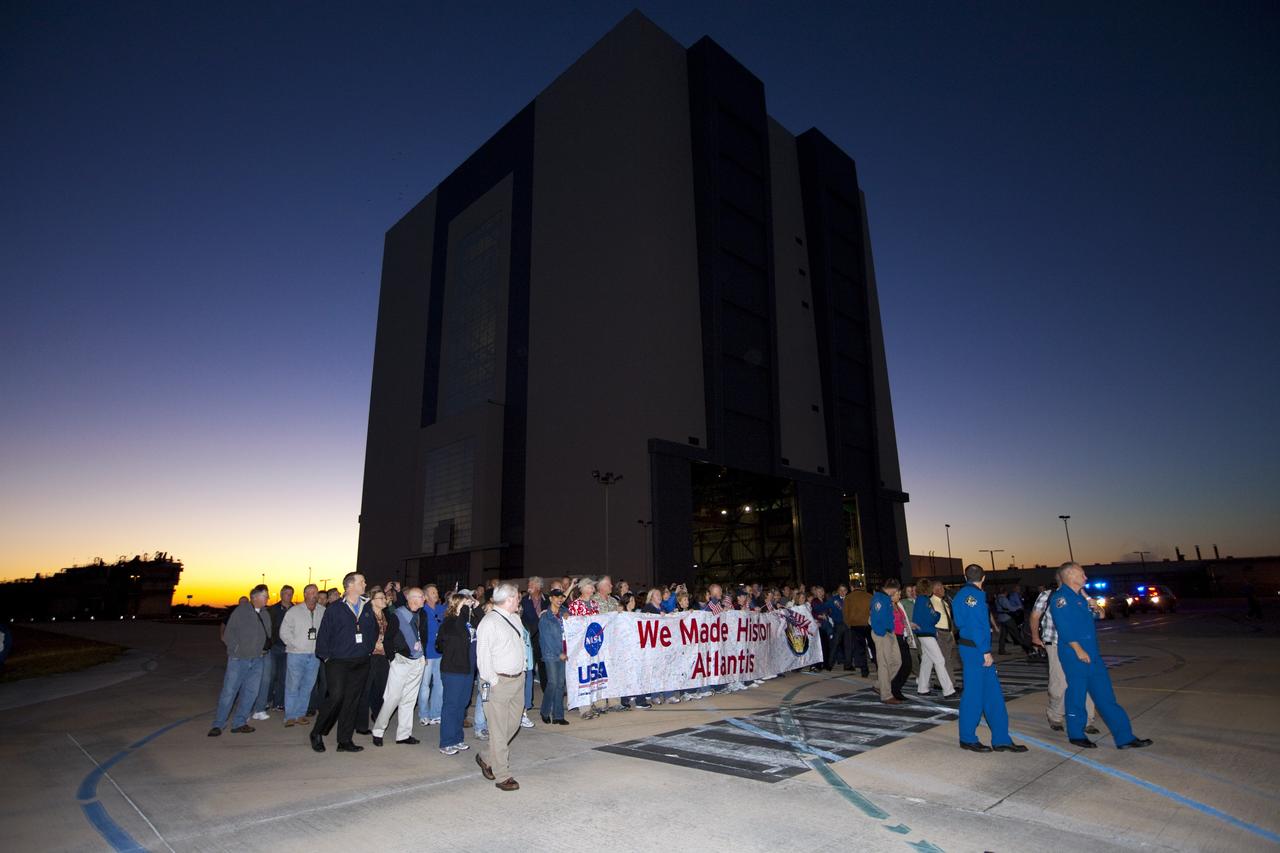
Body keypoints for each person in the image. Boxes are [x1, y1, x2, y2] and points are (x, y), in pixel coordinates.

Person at [1051, 563, 1153, 750]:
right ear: (1071, 575)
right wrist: (1078, 650)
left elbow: (1102, 616)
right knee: (1077, 694)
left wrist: (1095, 606)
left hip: (1093, 654)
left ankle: (1125, 738)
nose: (1086, 577)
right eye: (1082, 574)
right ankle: (1076, 734)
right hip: (1074, 654)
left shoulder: (1081, 598)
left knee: (1106, 696)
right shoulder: (1060, 598)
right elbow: (1064, 628)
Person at [953, 565, 1027, 753]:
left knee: (993, 695)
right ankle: (967, 738)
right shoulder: (975, 596)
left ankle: (1001, 738)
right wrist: (985, 651)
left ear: (965, 577)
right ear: (983, 578)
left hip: (972, 647)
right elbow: (976, 625)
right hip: (975, 650)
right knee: (974, 695)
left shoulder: (960, 595)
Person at [310, 572, 377, 753]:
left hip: (361, 660)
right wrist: (326, 657)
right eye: (361, 581)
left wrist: (368, 649)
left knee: (352, 701)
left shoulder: (367, 606)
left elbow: (373, 630)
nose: (365, 584)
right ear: (350, 585)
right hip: (338, 661)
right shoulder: (335, 608)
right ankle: (317, 732)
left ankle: (344, 740)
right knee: (336, 697)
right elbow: (324, 635)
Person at [1032, 567, 1097, 735]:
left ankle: (1087, 719)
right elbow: (1034, 616)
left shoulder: (1081, 597)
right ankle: (1055, 716)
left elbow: (1096, 616)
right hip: (1054, 643)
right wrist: (1035, 638)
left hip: (1081, 646)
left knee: (1085, 683)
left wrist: (1092, 603)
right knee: (1059, 683)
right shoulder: (1048, 595)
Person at [474, 583, 526, 792]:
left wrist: (522, 670)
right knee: (497, 730)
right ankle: (502, 774)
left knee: (512, 725)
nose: (519, 601)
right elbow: (483, 656)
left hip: (517, 680)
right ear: (510, 599)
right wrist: (492, 681)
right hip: (498, 683)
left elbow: (520, 645)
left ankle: (486, 757)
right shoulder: (489, 622)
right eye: (517, 598)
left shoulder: (515, 618)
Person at [208, 584, 273, 737]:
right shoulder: (241, 610)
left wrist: (263, 649)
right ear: (255, 597)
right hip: (239, 659)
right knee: (229, 692)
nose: (268, 598)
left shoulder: (265, 614)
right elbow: (229, 633)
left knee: (251, 693)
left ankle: (240, 722)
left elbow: (268, 634)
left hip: (257, 660)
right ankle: (218, 724)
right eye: (265, 595)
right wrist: (236, 649)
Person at [369, 586, 426, 746]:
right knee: (392, 698)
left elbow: (424, 635)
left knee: (409, 700)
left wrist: (423, 656)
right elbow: (388, 639)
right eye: (422, 596)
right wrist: (392, 658)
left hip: (417, 661)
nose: (424, 599)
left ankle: (404, 735)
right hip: (401, 661)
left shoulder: (422, 614)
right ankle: (378, 731)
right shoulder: (398, 615)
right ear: (413, 598)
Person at [435, 593, 477, 756]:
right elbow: (457, 631)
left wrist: (476, 607)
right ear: (456, 604)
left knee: (462, 704)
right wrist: (465, 608)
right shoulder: (450, 622)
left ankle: (457, 739)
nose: (468, 605)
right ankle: (446, 741)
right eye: (464, 603)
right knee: (451, 705)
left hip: (467, 668)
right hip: (453, 668)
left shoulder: (468, 622)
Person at [280, 583, 325, 727]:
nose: (314, 595)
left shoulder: (322, 611)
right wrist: (294, 644)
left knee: (307, 686)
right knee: (293, 685)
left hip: (314, 656)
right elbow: (284, 632)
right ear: (305, 594)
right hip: (296, 654)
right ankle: (289, 716)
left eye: (315, 592)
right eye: (311, 592)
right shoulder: (294, 611)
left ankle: (300, 714)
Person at [251, 585, 293, 720]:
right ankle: (267, 700)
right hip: (274, 648)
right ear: (281, 594)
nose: (289, 596)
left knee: (283, 676)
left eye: (291, 594)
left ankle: (279, 703)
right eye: (286, 593)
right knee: (270, 676)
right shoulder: (272, 610)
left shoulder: (295, 609)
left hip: (288, 648)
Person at [912, 579, 955, 697]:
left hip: (923, 633)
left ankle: (922, 688)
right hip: (927, 633)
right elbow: (932, 616)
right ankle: (948, 690)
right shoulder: (925, 601)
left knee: (927, 661)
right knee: (940, 661)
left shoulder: (920, 600)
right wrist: (938, 615)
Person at [359, 588, 393, 734]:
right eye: (381, 598)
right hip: (370, 655)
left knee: (381, 688)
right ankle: (360, 725)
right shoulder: (367, 615)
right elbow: (363, 634)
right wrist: (374, 644)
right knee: (365, 690)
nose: (384, 600)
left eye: (384, 597)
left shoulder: (386, 614)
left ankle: (378, 717)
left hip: (383, 656)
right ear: (372, 601)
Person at [870, 579, 908, 704]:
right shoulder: (879, 599)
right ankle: (886, 695)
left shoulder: (886, 598)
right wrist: (882, 633)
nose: (899, 594)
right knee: (884, 664)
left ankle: (879, 684)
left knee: (897, 661)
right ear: (894, 589)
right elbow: (875, 619)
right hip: (882, 634)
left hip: (889, 632)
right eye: (898, 592)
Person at [538, 588, 569, 724]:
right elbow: (546, 638)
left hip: (563, 652)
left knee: (561, 684)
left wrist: (568, 614)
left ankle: (558, 715)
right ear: (550, 598)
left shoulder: (564, 613)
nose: (559, 599)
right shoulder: (545, 617)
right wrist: (559, 653)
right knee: (553, 683)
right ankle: (545, 711)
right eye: (556, 597)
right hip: (551, 654)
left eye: (561, 597)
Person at [417, 584, 446, 728]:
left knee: (439, 684)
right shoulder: (422, 611)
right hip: (427, 653)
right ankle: (424, 714)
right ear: (426, 596)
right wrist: (422, 653)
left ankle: (436, 713)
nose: (436, 594)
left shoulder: (442, 609)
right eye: (432, 592)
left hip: (440, 652)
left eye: (436, 591)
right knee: (424, 685)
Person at [520, 576, 548, 692]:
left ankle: (546, 691)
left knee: (543, 666)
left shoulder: (548, 599)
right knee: (529, 668)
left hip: (545, 637)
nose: (529, 587)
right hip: (531, 638)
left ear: (538, 586)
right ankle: (527, 696)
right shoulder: (523, 600)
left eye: (531, 585)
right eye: (529, 585)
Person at [843, 581, 873, 677]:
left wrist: (849, 624)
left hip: (855, 626)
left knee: (860, 649)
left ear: (852, 587)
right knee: (873, 647)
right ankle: (879, 666)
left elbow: (845, 614)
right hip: (868, 624)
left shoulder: (848, 598)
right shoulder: (869, 596)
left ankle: (864, 670)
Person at [930, 581, 956, 682]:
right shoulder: (931, 602)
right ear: (935, 590)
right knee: (945, 660)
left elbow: (948, 618)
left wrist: (951, 634)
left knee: (946, 658)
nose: (943, 590)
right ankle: (951, 684)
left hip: (948, 632)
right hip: (940, 633)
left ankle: (938, 682)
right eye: (941, 588)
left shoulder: (944, 602)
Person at [996, 588, 1031, 656]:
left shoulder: (997, 599)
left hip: (1001, 618)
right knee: (1017, 634)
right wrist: (1019, 607)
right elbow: (1011, 608)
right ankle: (1027, 649)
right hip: (1007, 618)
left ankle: (1001, 650)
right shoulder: (1004, 599)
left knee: (1003, 636)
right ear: (1005, 593)